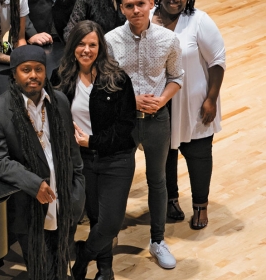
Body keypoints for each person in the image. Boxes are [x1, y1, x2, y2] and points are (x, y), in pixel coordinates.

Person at [0, 45, 85, 279]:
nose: (33, 76)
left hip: (65, 203)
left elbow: (72, 152)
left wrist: (78, 193)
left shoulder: (58, 101)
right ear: (14, 74)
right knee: (42, 272)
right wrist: (33, 183)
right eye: (25, 70)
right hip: (30, 209)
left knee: (60, 267)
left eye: (38, 69)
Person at [51, 20, 136, 280]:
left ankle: (83, 257)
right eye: (81, 44)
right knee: (97, 217)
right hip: (81, 160)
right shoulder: (60, 78)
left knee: (110, 223)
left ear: (101, 47)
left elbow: (126, 127)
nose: (86, 49)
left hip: (116, 159)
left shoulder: (118, 79)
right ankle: (105, 268)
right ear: (72, 46)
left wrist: (92, 141)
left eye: (92, 44)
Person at [105, 0, 183, 269]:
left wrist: (161, 101)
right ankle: (110, 235)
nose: (135, 10)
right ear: (121, 9)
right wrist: (129, 101)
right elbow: (105, 83)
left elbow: (176, 77)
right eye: (128, 5)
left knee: (157, 180)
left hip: (156, 119)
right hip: (123, 122)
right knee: (117, 181)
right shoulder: (110, 40)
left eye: (140, 3)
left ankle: (157, 241)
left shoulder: (169, 39)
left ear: (151, 3)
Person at [152, 0, 226, 230]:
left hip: (194, 103)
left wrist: (211, 99)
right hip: (159, 103)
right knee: (164, 156)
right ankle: (170, 200)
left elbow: (217, 61)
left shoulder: (199, 21)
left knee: (199, 154)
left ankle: (200, 205)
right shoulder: (147, 19)